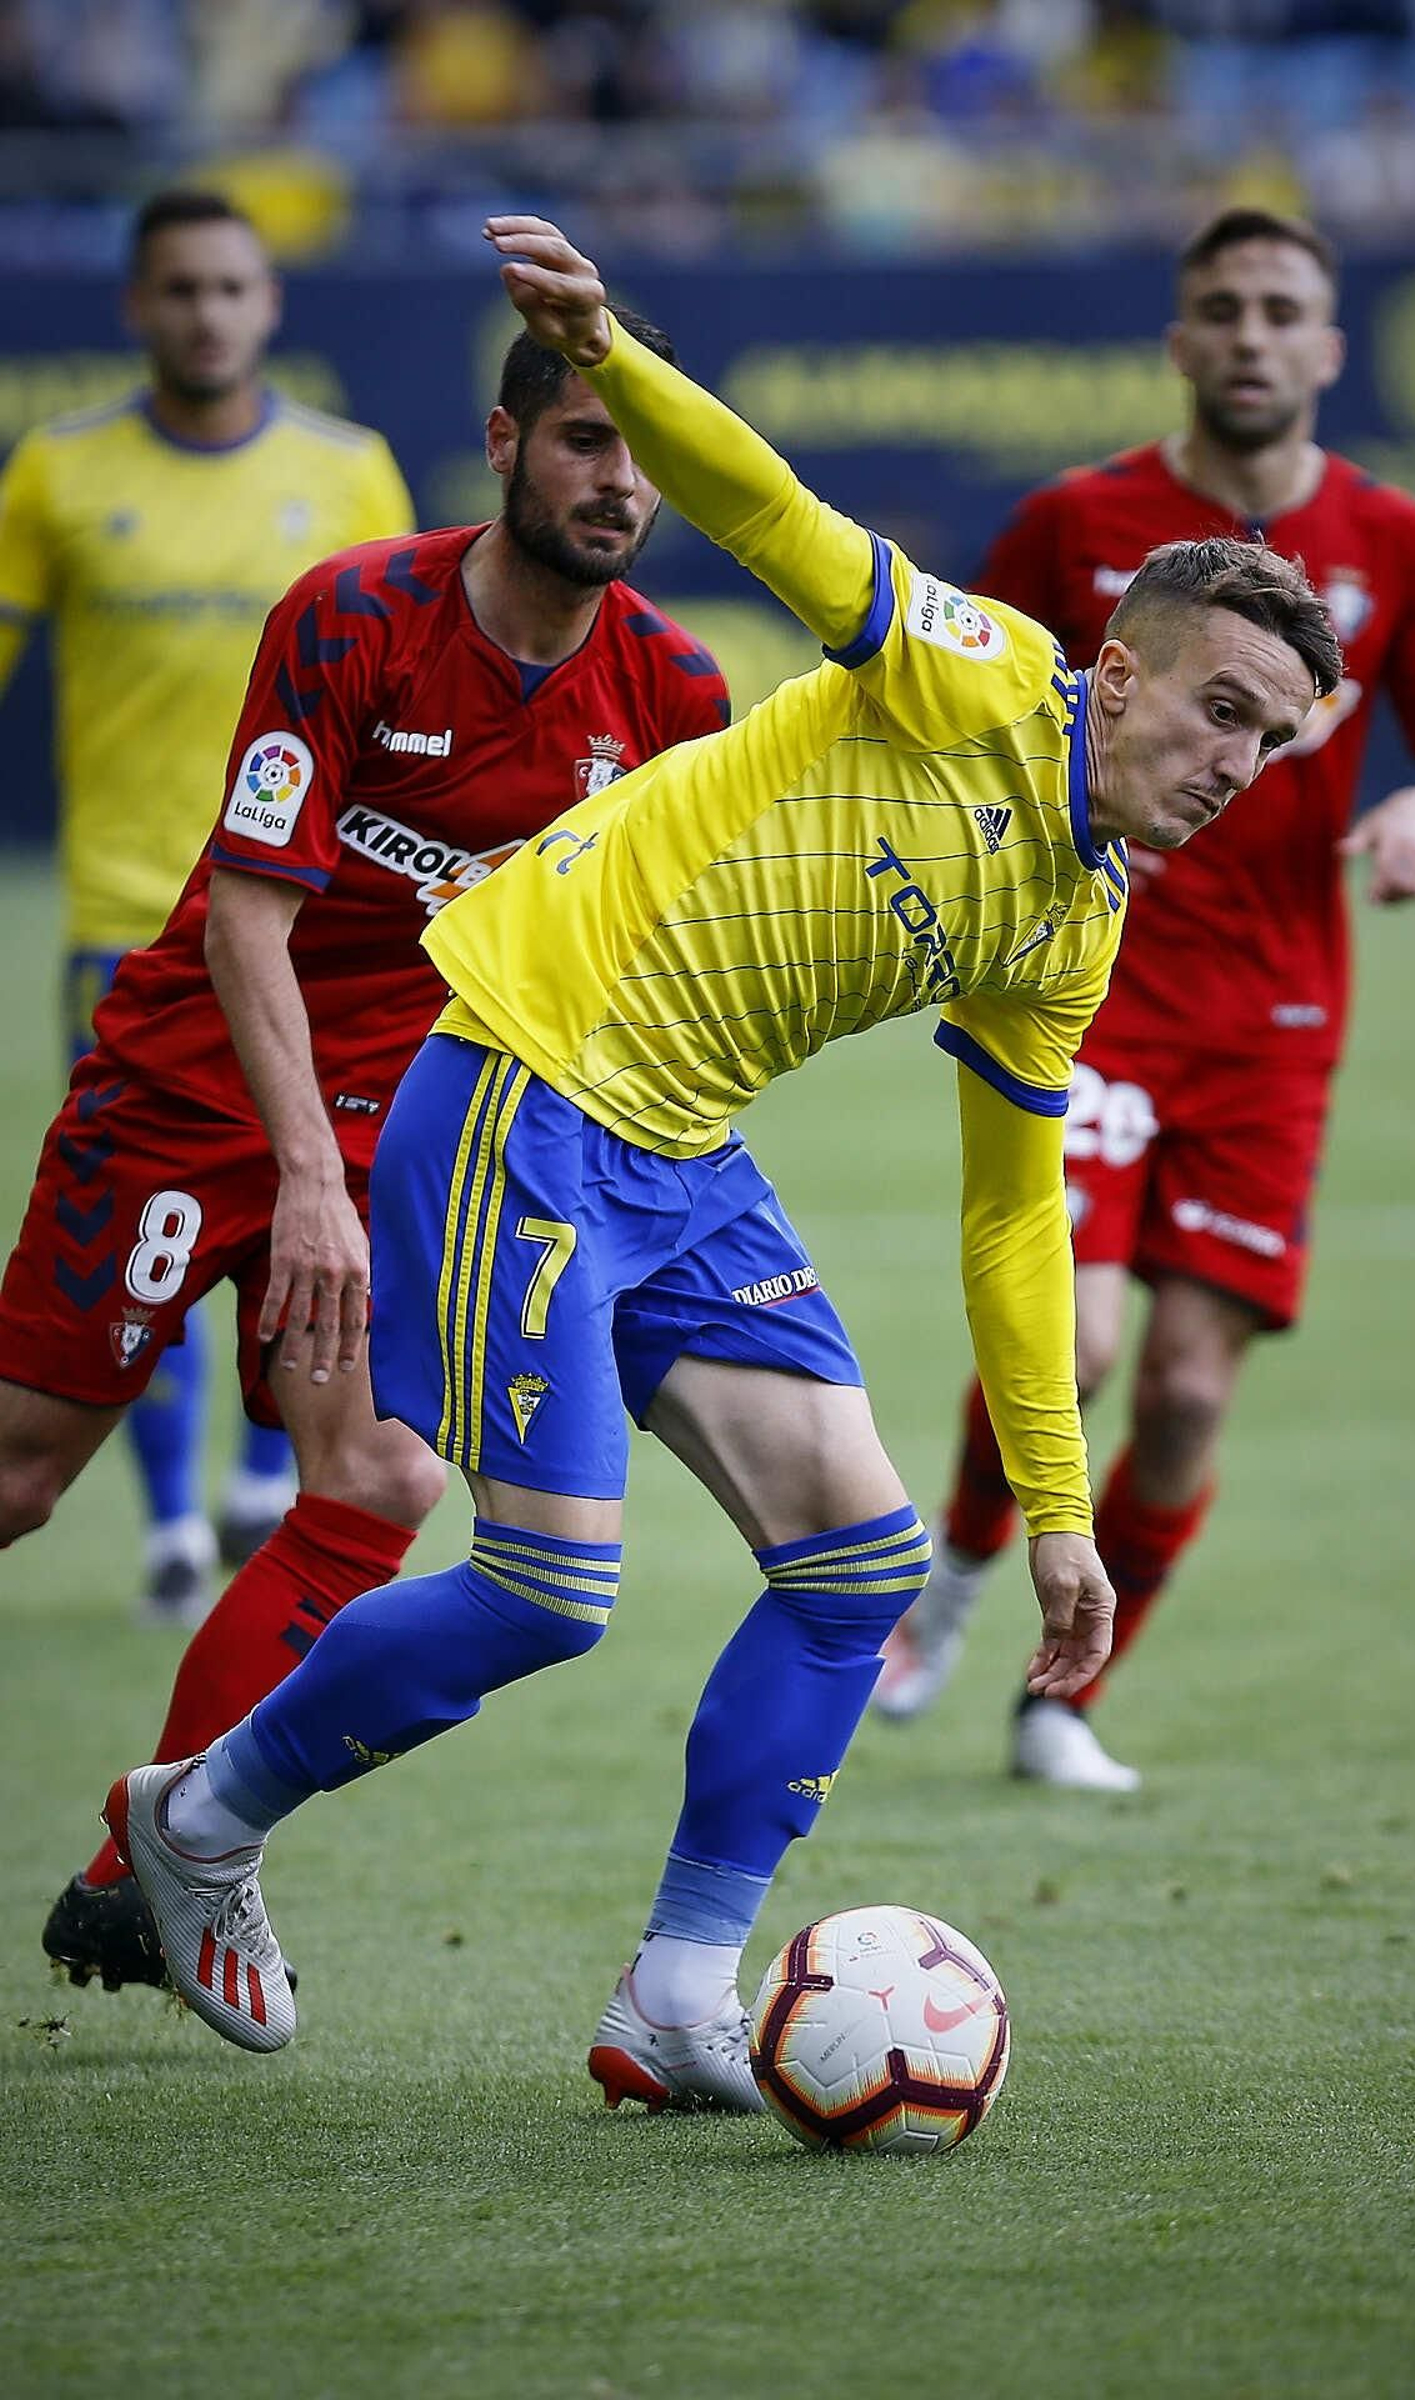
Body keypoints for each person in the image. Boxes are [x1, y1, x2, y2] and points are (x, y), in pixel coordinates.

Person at [103, 214, 1341, 2104]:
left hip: (680, 1153)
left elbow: (1013, 1209)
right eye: (1221, 710)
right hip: (524, 1080)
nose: (1238, 762)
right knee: (548, 1592)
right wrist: (611, 351)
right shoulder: (979, 673)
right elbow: (772, 513)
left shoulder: (1077, 916)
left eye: (1273, 741)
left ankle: (679, 1994)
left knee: (856, 1569)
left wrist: (1060, 1511)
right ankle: (198, 1818)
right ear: (1116, 673)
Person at [2, 303, 730, 1994]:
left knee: (380, 1478)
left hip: (400, 1118)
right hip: (194, 1081)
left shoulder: (675, 689)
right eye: (586, 443)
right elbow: (246, 920)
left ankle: (147, 1866)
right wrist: (307, 1183)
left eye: (647, 459)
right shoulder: (355, 614)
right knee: (23, 1476)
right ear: (505, 445)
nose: (619, 487)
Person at [872, 207, 1415, 1788]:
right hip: (1089, 991)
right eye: (1222, 307)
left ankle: (1062, 1706)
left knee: (1182, 1395)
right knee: (1081, 1339)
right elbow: (968, 702)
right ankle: (953, 1585)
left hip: (1277, 1021)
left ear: (1329, 347)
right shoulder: (1078, 521)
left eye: (1281, 309)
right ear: (1179, 340)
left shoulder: (1397, 540)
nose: (1250, 334)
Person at [0, 188, 415, 1621]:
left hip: (313, 925)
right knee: (149, 1216)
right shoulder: (56, 474)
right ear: (137, 306)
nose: (207, 314)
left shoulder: (349, 473)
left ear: (270, 305)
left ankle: (251, 1479)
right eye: (180, 289)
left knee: (313, 1202)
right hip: (128, 911)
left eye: (231, 288)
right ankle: (175, 1518)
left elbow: (410, 682)